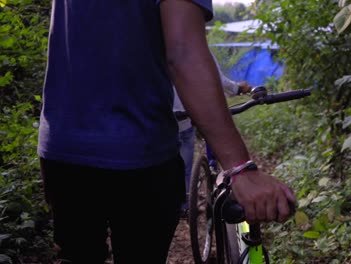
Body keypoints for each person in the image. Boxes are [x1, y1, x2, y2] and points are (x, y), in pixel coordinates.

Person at [38, 0, 296, 263]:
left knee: (78, 255)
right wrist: (240, 168)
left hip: (62, 147)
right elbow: (184, 53)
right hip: (139, 151)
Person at [175, 52, 251, 216]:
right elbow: (218, 79)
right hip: (184, 118)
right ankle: (184, 204)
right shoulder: (192, 48)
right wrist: (238, 88)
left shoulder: (148, 48)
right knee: (186, 166)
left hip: (154, 120)